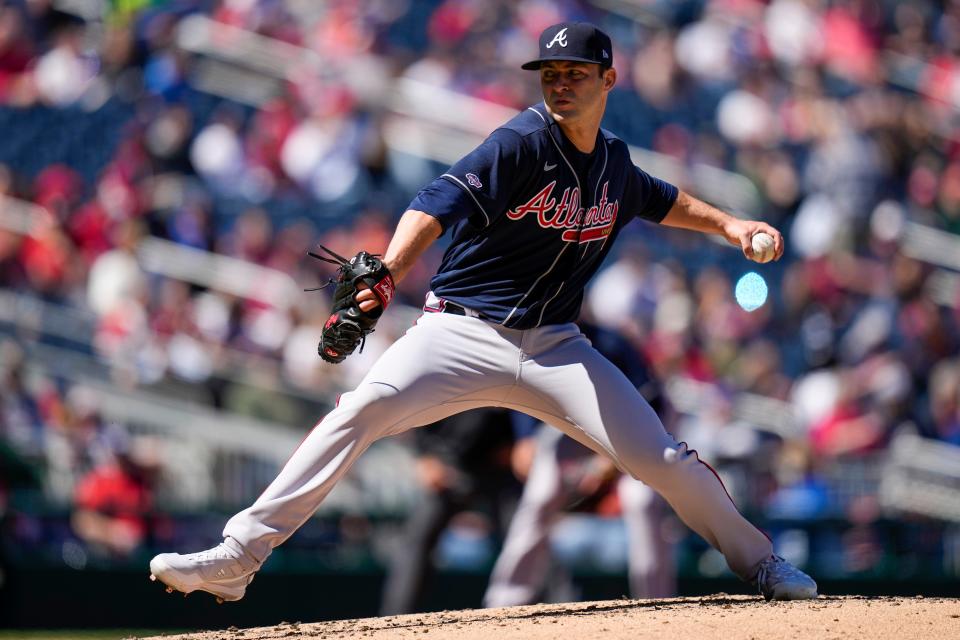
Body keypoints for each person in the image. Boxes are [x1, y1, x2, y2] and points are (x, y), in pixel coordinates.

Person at [149, 22, 817, 603]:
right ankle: (238, 556)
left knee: (665, 460)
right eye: (550, 73)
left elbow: (661, 198)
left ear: (609, 78)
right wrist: (389, 271)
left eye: (575, 73)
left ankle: (759, 563)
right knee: (359, 411)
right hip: (461, 333)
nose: (559, 84)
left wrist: (731, 225)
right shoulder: (519, 142)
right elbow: (436, 200)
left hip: (557, 347)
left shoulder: (613, 161)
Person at [484, 321, 676, 606]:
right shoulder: (538, 337)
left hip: (629, 433)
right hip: (571, 431)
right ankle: (503, 602)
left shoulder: (611, 342)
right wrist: (526, 436)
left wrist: (609, 462)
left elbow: (654, 402)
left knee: (642, 500)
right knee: (541, 494)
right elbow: (518, 386)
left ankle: (657, 602)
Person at [378, 407, 520, 615]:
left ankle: (559, 604)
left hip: (495, 465)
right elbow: (417, 414)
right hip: (448, 465)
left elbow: (522, 413)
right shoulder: (443, 379)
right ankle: (395, 618)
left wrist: (518, 442)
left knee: (525, 535)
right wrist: (425, 457)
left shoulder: (505, 375)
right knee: (417, 540)